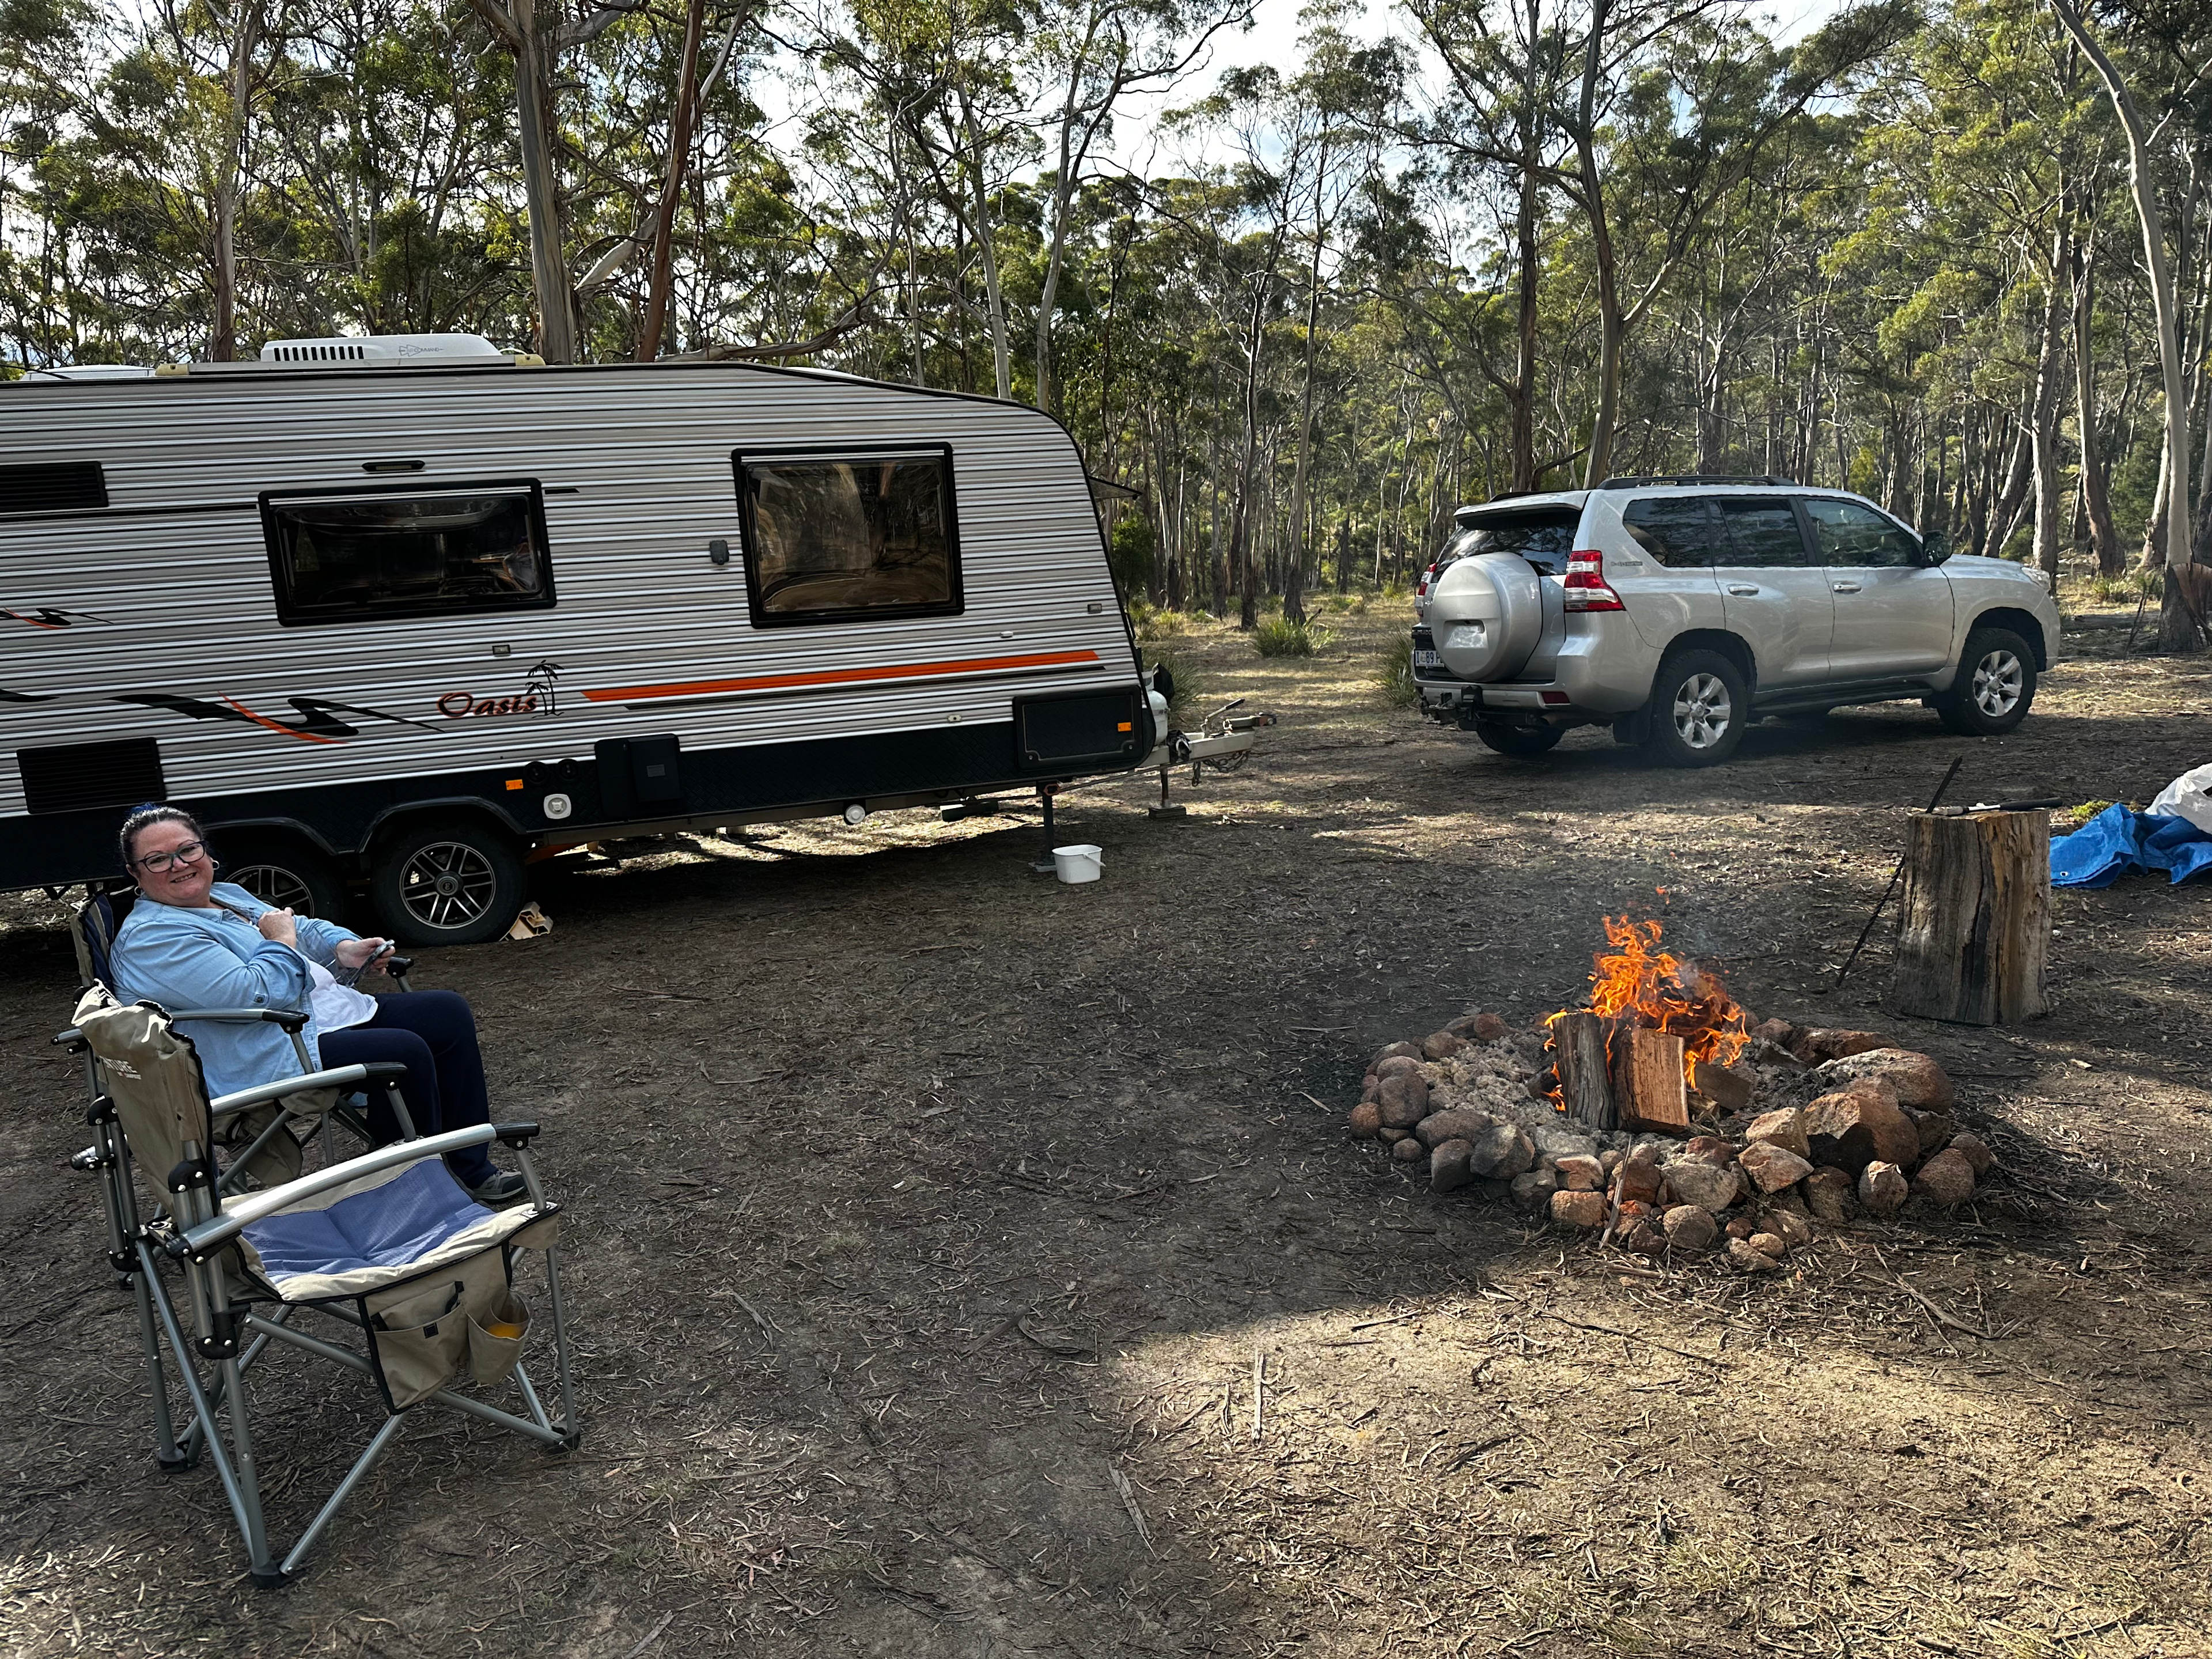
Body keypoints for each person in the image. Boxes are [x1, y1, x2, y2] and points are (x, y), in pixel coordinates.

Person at [107, 804, 525, 1203]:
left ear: (205, 850)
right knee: (402, 1051)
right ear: (136, 874)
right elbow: (255, 992)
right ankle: (406, 1191)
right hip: (261, 1049)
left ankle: (469, 1167)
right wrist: (280, 941)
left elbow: (301, 926)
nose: (180, 865)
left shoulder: (225, 895)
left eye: (187, 849)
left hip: (307, 1019)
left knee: (446, 1013)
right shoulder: (154, 938)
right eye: (159, 860)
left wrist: (342, 947)